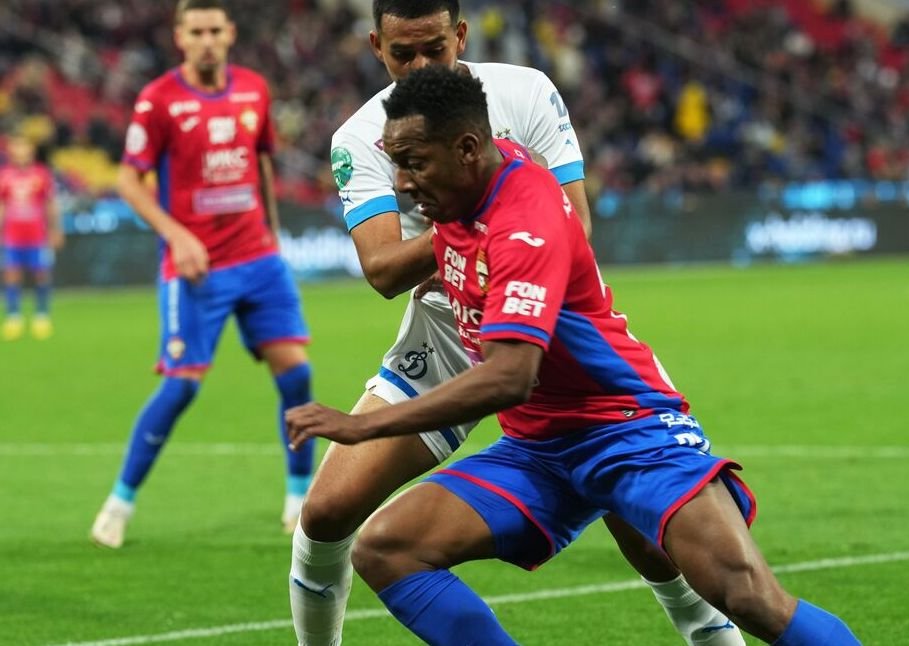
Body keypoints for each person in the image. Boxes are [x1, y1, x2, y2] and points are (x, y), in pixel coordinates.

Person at [287, 64, 862, 646]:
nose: (403, 184)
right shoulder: (469, 183)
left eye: (414, 164)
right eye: (397, 163)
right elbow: (395, 264)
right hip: (539, 447)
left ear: (466, 150)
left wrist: (365, 426)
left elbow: (509, 377)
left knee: (748, 596)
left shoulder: (523, 226)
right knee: (386, 548)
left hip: (627, 430)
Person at [89, 0, 315, 549]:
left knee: (297, 376)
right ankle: (118, 504)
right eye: (197, 32)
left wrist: (273, 234)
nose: (208, 40)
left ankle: (300, 500)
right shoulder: (158, 100)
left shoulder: (254, 90)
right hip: (197, 268)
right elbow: (128, 181)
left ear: (230, 33)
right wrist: (178, 236)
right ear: (180, 38)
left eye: (215, 29)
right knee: (181, 387)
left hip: (258, 259)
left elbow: (262, 162)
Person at [0, 133, 63, 341]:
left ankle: (42, 316)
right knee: (11, 274)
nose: (21, 151)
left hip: (37, 235)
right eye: (17, 147)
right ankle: (13, 317)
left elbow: (50, 204)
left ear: (31, 150)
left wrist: (55, 229)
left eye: (24, 146)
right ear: (11, 151)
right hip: (12, 236)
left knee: (42, 273)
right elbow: (2, 206)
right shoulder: (4, 175)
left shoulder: (41, 174)